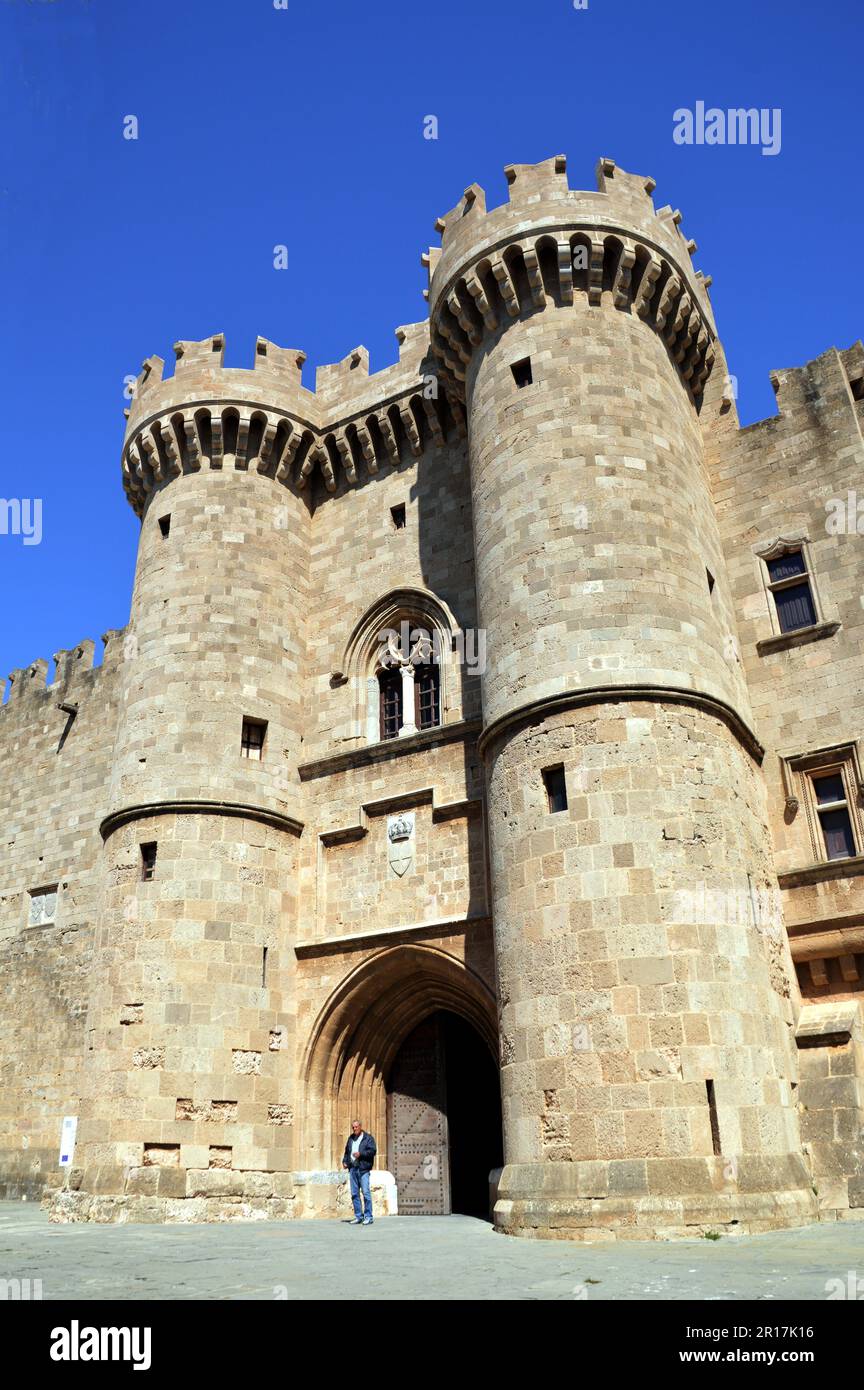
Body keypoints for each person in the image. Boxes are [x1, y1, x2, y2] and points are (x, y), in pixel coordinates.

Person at [342, 1119, 376, 1225]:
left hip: (363, 1169)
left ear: (360, 1127)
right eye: (353, 1127)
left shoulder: (368, 1138)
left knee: (366, 1193)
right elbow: (347, 1152)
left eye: (356, 1127)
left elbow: (372, 1151)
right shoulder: (351, 1138)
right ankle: (358, 1216)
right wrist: (345, 1161)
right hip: (353, 1169)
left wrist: (361, 1154)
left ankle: (368, 1216)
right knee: (354, 1194)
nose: (354, 1129)